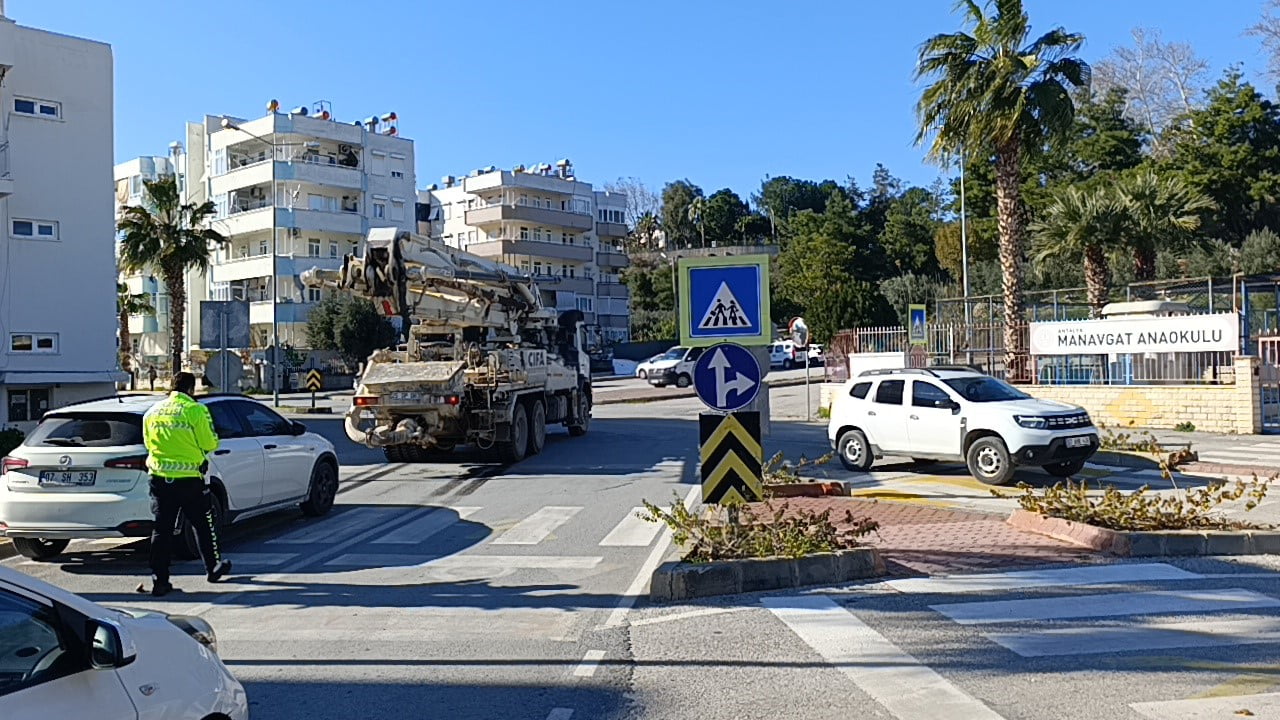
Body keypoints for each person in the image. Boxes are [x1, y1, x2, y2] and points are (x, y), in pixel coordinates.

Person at [137, 372, 231, 597]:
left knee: (162, 530)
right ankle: (212, 568)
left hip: (159, 480)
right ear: (191, 389)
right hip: (189, 480)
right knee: (203, 524)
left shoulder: (152, 412)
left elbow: (148, 443)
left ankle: (160, 580)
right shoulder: (195, 410)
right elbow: (209, 442)